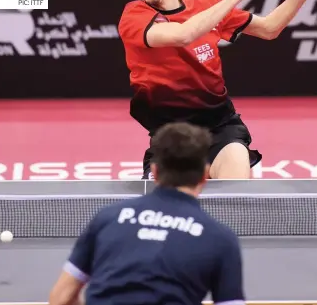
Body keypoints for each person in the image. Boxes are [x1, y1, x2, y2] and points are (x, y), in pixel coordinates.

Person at [118, 0, 317, 180]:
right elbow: (183, 34)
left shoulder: (203, 2)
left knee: (235, 192)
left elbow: (269, 28)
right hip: (170, 136)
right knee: (170, 211)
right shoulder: (134, 15)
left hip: (220, 127)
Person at [49, 122, 245, 305]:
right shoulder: (219, 238)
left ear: (154, 172)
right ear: (205, 175)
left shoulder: (107, 218)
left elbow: (61, 298)